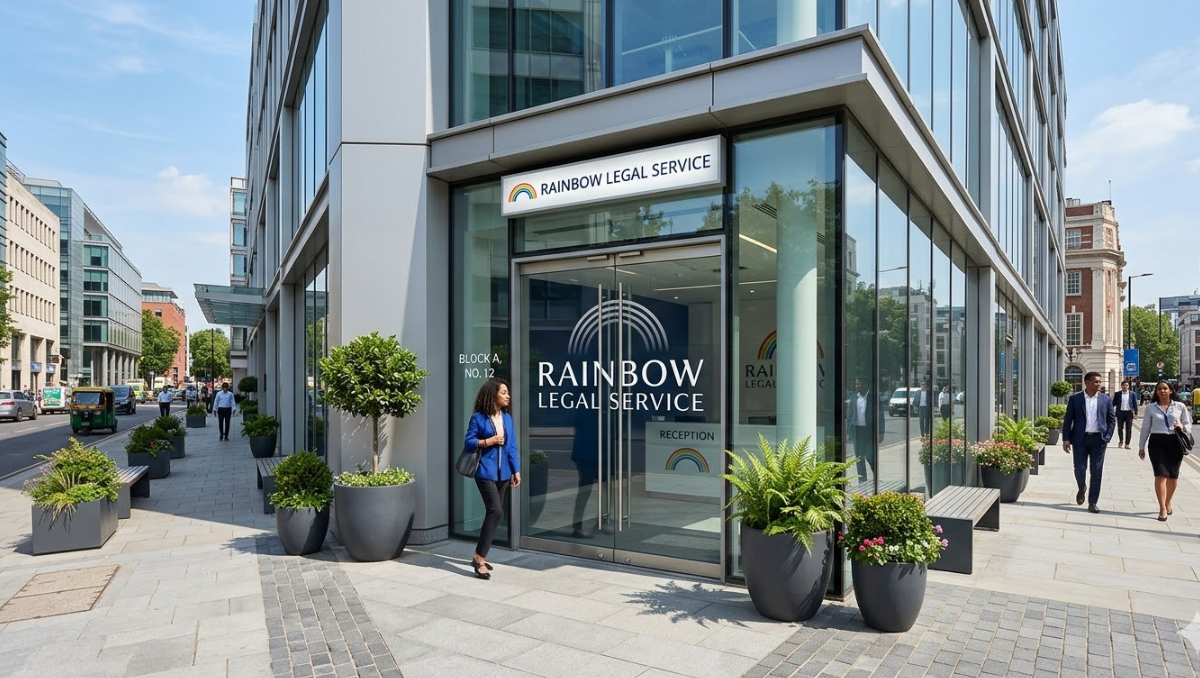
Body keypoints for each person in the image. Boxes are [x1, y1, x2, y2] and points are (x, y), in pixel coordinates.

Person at [462, 378, 520, 579]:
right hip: (484, 472)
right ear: (493, 394)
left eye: (508, 393)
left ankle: (479, 555)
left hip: (503, 473)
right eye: (504, 392)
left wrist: (516, 470)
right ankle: (479, 558)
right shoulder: (478, 418)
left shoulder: (507, 418)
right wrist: (489, 441)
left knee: (495, 513)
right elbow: (469, 442)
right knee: (495, 511)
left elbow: (511, 446)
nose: (508, 396)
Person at [1062, 371, 1116, 513]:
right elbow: (1068, 420)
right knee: (1079, 468)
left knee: (1097, 471)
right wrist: (1066, 438)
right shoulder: (1075, 399)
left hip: (1099, 440)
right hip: (1080, 439)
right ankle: (1082, 487)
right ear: (1087, 383)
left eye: (1100, 381)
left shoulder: (1106, 399)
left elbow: (1112, 419)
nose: (1099, 384)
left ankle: (1093, 502)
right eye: (1096, 382)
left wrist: (1108, 436)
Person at [1137, 380, 1192, 521]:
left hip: (1175, 442)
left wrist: (1182, 426)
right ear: (1156, 392)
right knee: (1160, 475)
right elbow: (1145, 428)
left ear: (1171, 391)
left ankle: (1168, 501)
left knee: (1173, 476)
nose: (1162, 391)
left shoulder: (1179, 406)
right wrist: (1141, 446)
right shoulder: (1151, 408)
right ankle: (1162, 508)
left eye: (1165, 389)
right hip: (1157, 443)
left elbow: (1187, 423)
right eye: (1159, 389)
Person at [847, 377, 883, 485]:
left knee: (869, 456)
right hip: (857, 431)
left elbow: (881, 417)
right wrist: (848, 433)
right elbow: (849, 416)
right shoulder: (853, 398)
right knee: (859, 457)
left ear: (865, 385)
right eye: (856, 384)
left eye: (858, 384)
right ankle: (862, 481)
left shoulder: (874, 398)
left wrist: (881, 432)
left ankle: (876, 477)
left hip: (869, 432)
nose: (856, 386)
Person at [1114, 380, 1139, 449]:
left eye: (1126, 385)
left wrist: (1136, 413)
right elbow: (1113, 403)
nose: (1125, 386)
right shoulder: (1117, 394)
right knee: (1120, 428)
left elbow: (1135, 404)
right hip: (1120, 412)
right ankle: (1121, 441)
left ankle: (1127, 443)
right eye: (1124, 385)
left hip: (1129, 413)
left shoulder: (1132, 394)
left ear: (1128, 386)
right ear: (1121, 386)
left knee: (1129, 429)